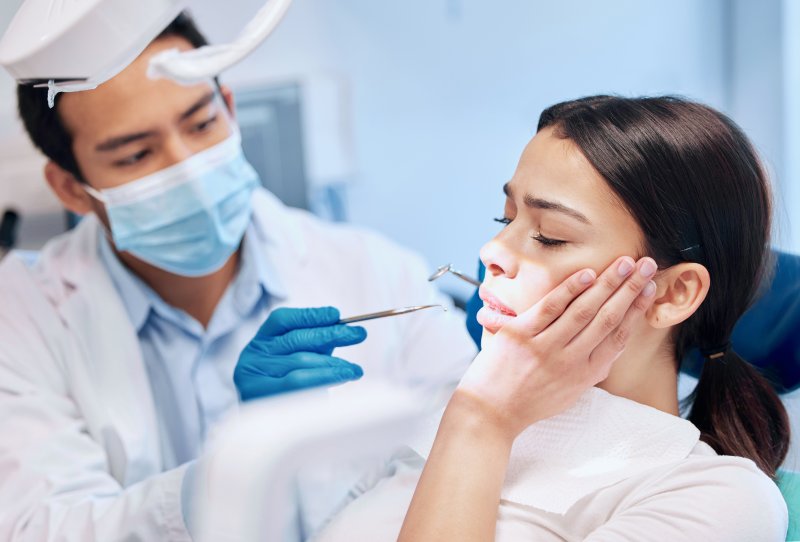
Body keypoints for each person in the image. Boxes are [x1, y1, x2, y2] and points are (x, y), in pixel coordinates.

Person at [0, 12, 476, 541]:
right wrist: (233, 469)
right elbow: (39, 527)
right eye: (137, 154)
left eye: (202, 124)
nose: (188, 169)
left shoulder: (376, 270)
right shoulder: (19, 318)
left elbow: (467, 463)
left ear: (229, 108)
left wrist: (496, 371)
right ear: (70, 188)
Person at [316, 96, 791, 541]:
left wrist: (481, 421)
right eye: (506, 220)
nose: (492, 251)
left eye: (550, 236)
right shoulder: (447, 411)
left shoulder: (717, 500)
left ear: (671, 293)